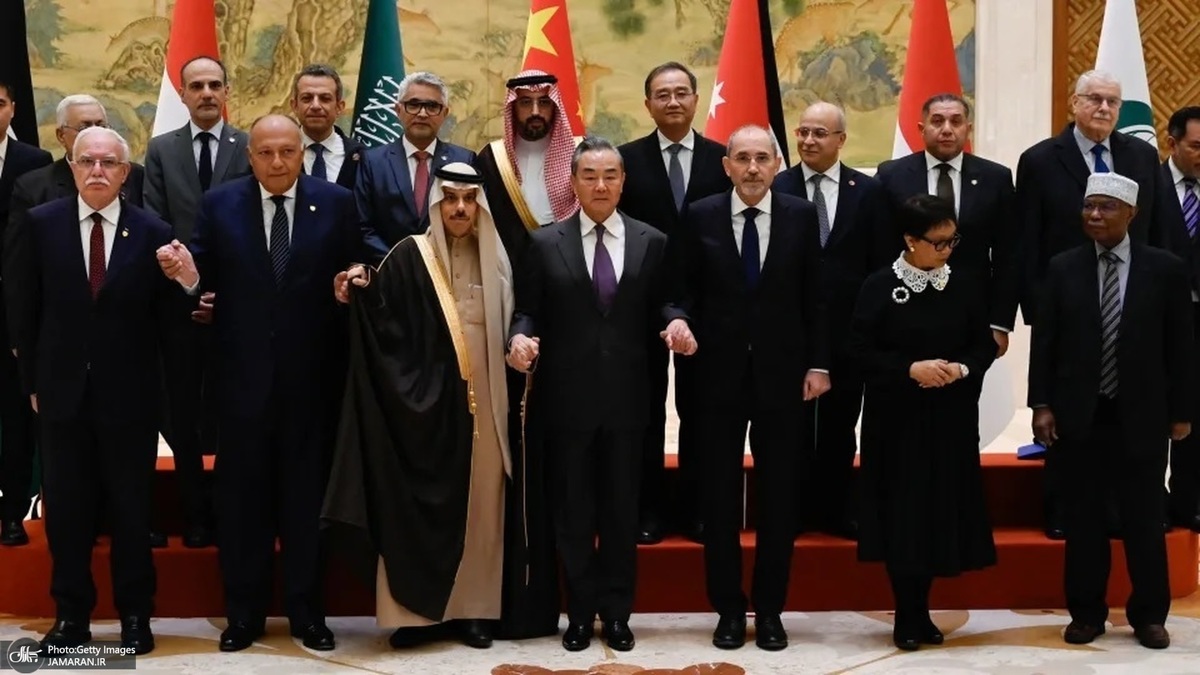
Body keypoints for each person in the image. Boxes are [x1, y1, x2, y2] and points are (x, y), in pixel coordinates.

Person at [161, 114, 388, 653]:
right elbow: (201, 274)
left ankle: (309, 615)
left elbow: (356, 262)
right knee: (243, 506)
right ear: (251, 156)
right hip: (241, 387)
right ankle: (244, 616)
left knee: (307, 506)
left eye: (287, 151)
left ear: (300, 153)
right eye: (266, 152)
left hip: (314, 384)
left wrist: (355, 278)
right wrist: (186, 276)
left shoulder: (335, 201)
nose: (278, 161)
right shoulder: (221, 204)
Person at [324, 163, 555, 650]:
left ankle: (475, 611)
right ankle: (414, 616)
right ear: (436, 203)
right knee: (417, 504)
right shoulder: (411, 255)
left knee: (483, 505)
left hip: (486, 404)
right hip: (423, 411)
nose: (460, 209)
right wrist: (363, 282)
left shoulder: (499, 258)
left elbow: (523, 315)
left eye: (469, 199)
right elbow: (383, 308)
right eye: (450, 198)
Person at [5, 127, 188, 655]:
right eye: (87, 161)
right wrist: (32, 382)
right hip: (60, 395)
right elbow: (22, 309)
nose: (97, 171)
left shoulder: (153, 231)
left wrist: (189, 282)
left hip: (130, 399)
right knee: (66, 513)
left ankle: (135, 616)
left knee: (132, 511)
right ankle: (71, 617)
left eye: (109, 162)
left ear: (125, 172)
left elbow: (169, 322)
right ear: (72, 166)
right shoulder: (42, 224)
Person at [507, 137, 684, 653]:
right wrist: (518, 338)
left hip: (630, 403)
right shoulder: (544, 243)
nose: (600, 185)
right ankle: (581, 614)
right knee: (574, 514)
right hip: (566, 404)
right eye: (589, 175)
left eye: (610, 175)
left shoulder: (652, 240)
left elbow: (667, 303)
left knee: (622, 513)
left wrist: (677, 323)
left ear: (623, 182)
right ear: (573, 182)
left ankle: (618, 613)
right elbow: (528, 310)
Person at [665, 125, 829, 651]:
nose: (753, 168)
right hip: (716, 379)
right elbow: (679, 291)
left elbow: (815, 297)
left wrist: (819, 364)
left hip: (784, 379)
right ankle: (729, 610)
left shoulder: (801, 215)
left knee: (780, 497)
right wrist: (678, 320)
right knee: (718, 499)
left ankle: (772, 609)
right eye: (742, 158)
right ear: (727, 165)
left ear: (777, 164)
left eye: (762, 158)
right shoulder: (700, 215)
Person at [1029, 172, 1192, 650]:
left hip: (1143, 415)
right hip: (1080, 414)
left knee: (1145, 520)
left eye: (1106, 207)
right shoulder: (1063, 267)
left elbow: (1182, 347)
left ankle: (1149, 616)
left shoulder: (1165, 269)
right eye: (1089, 207)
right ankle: (1086, 614)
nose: (1095, 215)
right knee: (1084, 522)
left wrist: (1182, 411)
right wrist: (1041, 404)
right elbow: (1045, 343)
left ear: (1131, 214)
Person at [1017, 71, 1167, 539]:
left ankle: (1122, 511)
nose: (1104, 108)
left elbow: (1158, 228)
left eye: (1113, 102)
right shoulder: (1040, 160)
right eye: (1095, 99)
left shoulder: (1141, 155)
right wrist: (1038, 310)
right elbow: (1028, 240)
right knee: (1070, 414)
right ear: (1075, 103)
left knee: (1125, 412)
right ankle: (1065, 510)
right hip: (1068, 308)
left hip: (1132, 302)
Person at [848, 194, 997, 651]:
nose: (947, 250)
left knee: (938, 512)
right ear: (911, 240)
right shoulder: (879, 286)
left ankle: (923, 609)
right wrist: (909, 369)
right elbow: (858, 351)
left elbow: (983, 344)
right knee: (904, 513)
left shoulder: (965, 284)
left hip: (950, 417)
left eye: (953, 240)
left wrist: (962, 368)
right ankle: (906, 612)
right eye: (938, 242)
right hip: (896, 421)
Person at [616, 61, 730, 544]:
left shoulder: (723, 160)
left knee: (701, 411)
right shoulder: (625, 160)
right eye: (662, 94)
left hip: (706, 306)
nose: (673, 101)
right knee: (643, 412)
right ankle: (649, 511)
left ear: (696, 100)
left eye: (682, 92)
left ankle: (696, 509)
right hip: (638, 304)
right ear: (648, 105)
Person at [143, 55, 251, 549]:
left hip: (238, 303)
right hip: (178, 305)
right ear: (183, 94)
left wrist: (219, 289)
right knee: (183, 414)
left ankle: (232, 510)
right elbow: (156, 220)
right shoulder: (161, 149)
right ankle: (195, 515)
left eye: (214, 85)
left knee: (235, 413)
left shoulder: (248, 146)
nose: (206, 93)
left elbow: (254, 223)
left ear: (227, 92)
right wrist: (189, 282)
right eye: (197, 86)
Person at [774, 101, 892, 540]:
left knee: (841, 425)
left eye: (819, 133)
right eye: (803, 132)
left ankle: (837, 508)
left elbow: (881, 263)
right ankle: (792, 510)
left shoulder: (869, 191)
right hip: (790, 329)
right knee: (791, 426)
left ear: (841, 140)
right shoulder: (778, 186)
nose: (808, 140)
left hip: (849, 330)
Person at [0, 78, 52, 547]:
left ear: (13, 109)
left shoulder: (34, 162)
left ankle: (13, 512)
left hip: (13, 310)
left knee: (17, 418)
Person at [353, 71, 476, 248]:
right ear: (398, 110)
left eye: (432, 106)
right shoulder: (373, 162)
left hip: (448, 263)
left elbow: (474, 223)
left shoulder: (464, 161)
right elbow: (363, 227)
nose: (422, 113)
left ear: (445, 113)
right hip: (388, 263)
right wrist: (398, 261)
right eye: (413, 105)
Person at [475, 70, 579, 265]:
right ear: (513, 107)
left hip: (567, 260)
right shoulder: (492, 158)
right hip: (508, 262)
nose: (535, 112)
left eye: (544, 102)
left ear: (554, 106)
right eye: (525, 102)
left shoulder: (580, 154)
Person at [1162, 106, 1200, 532]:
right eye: (1196, 146)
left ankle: (1190, 501)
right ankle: (1152, 501)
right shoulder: (1149, 186)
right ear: (1172, 143)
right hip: (1157, 316)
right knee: (1156, 408)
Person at [290, 64, 365, 190]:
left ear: (339, 107)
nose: (315, 106)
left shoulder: (362, 157)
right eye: (307, 98)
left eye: (325, 99)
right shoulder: (276, 154)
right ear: (295, 106)